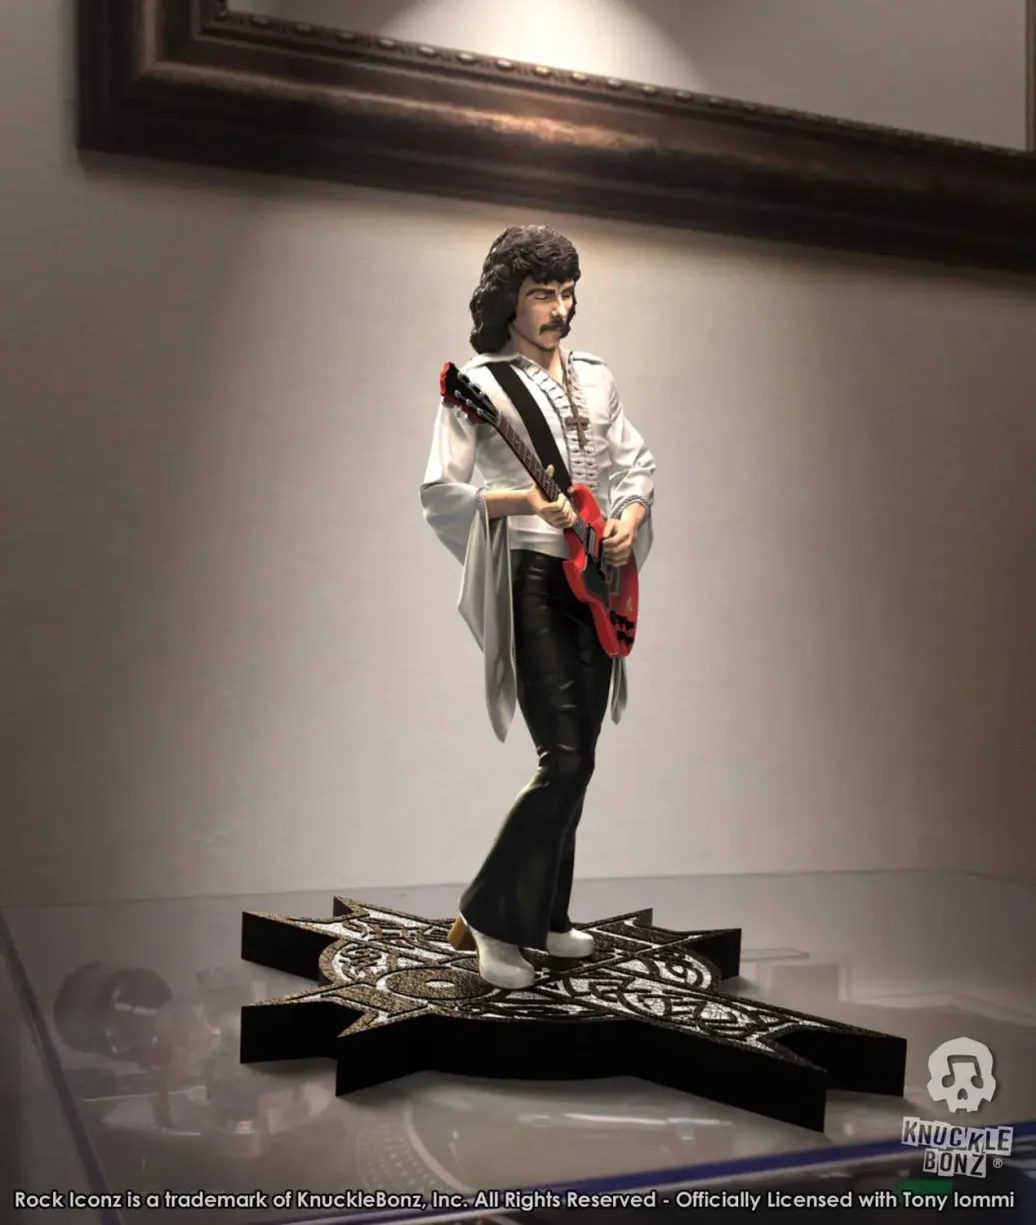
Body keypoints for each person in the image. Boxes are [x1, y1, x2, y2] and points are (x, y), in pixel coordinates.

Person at [420, 225, 656, 990]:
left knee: (581, 758)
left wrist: (628, 519)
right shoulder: (480, 385)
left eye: (566, 293)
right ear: (507, 301)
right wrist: (521, 499)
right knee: (565, 757)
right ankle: (492, 915)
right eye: (541, 294)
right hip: (531, 576)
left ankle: (549, 915)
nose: (559, 308)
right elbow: (440, 492)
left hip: (598, 581)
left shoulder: (596, 378)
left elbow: (635, 464)